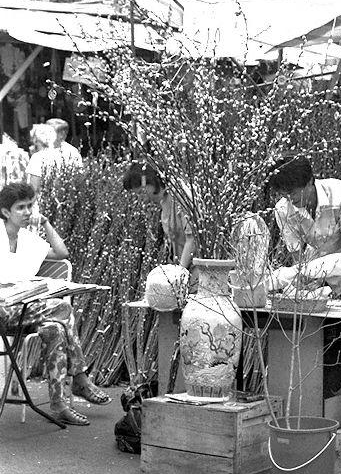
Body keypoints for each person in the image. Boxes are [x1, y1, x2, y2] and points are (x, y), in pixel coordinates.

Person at [0, 182, 111, 425]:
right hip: (2, 309)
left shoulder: (29, 240)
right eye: (21, 207)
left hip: (24, 311)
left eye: (30, 206)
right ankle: (80, 377)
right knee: (63, 307)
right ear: (6, 212)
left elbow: (62, 253)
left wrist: (47, 223)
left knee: (56, 329)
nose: (28, 211)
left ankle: (59, 404)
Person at [267, 154, 341, 398]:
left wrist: (321, 278)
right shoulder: (284, 210)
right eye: (284, 193)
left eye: (294, 192)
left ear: (311, 181)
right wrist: (305, 280)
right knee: (319, 337)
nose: (290, 199)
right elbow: (297, 256)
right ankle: (320, 398)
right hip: (316, 274)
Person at [122, 163, 197, 291]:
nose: (141, 199)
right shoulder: (164, 202)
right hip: (183, 278)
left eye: (141, 193)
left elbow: (192, 238)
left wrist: (179, 275)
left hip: (197, 274)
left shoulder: (181, 195)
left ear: (149, 183)